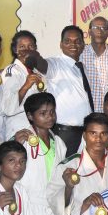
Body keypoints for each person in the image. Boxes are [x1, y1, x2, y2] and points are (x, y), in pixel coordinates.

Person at [13, 93, 67, 215]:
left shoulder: (58, 142)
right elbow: (8, 161)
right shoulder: (24, 139)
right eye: (43, 113)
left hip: (51, 202)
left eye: (52, 112)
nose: (49, 117)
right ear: (30, 116)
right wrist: (15, 142)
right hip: (30, 201)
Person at [26, 25, 92, 156]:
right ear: (61, 45)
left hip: (84, 133)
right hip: (65, 134)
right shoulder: (55, 64)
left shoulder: (81, 66)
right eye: (68, 41)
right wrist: (34, 56)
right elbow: (42, 65)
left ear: (83, 44)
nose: (73, 45)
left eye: (78, 41)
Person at [0, 30, 45, 139]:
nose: (27, 50)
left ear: (35, 49)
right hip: (18, 129)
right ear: (15, 50)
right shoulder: (11, 71)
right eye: (22, 47)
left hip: (36, 128)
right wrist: (26, 85)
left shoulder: (37, 72)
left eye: (31, 46)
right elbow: (8, 108)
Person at [80, 16, 108, 112]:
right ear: (89, 32)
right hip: (85, 112)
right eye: (95, 28)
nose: (99, 31)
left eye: (103, 28)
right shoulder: (80, 54)